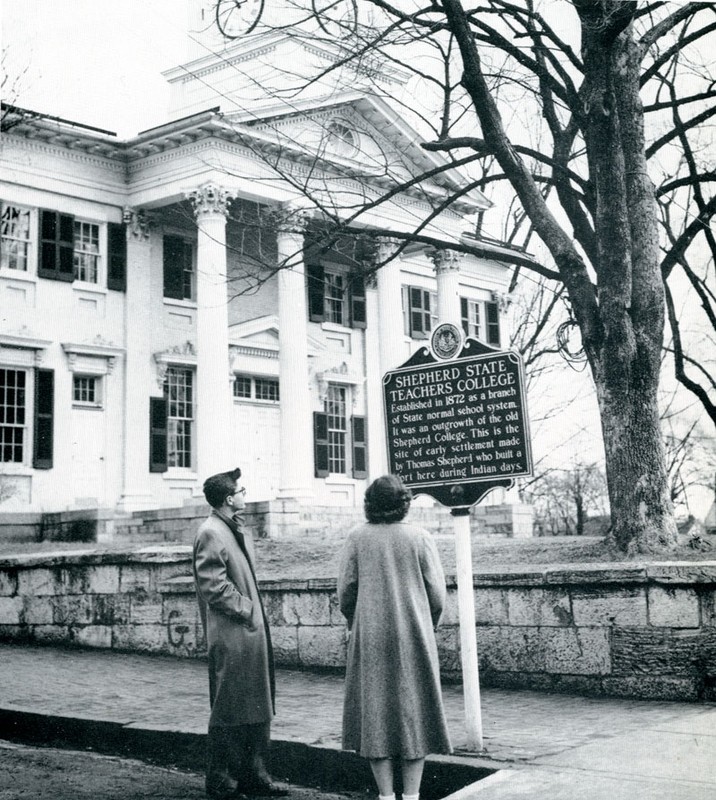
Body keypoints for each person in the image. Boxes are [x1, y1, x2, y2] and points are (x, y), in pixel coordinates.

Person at [337, 474, 452, 800]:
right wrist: (429, 624)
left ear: (370, 504)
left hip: (370, 634)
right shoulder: (420, 537)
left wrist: (354, 621)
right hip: (413, 633)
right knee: (414, 711)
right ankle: (412, 796)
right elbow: (437, 594)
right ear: (404, 504)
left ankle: (386, 795)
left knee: (375, 713)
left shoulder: (356, 538)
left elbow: (346, 591)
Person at [193, 467, 289, 800]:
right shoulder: (211, 531)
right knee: (230, 707)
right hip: (233, 634)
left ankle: (254, 777)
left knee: (257, 704)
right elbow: (213, 585)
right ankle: (222, 782)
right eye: (241, 490)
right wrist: (248, 610)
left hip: (248, 634)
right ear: (228, 498)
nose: (244, 494)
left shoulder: (234, 529)